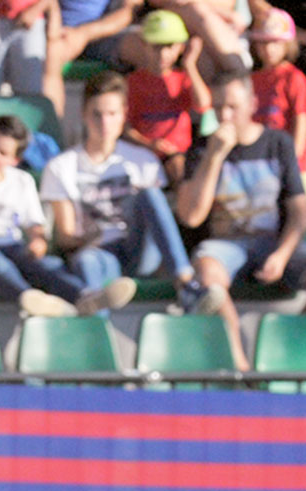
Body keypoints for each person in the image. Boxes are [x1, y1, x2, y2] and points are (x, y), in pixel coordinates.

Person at [175, 69, 306, 370]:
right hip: (224, 246)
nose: (225, 116)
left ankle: (291, 361)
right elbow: (191, 216)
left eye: (233, 107)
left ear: (253, 104)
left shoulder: (278, 143)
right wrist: (213, 157)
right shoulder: (201, 149)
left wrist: (282, 254)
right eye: (218, 108)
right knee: (207, 277)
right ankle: (240, 368)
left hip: (272, 242)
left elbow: (299, 213)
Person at [0, 112, 132, 316]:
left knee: (48, 265)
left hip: (11, 246)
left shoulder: (22, 180)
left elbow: (35, 226)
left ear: (15, 160)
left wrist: (37, 242)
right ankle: (29, 298)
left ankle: (86, 297)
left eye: (3, 153)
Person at [41, 69, 201, 309]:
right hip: (98, 251)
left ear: (124, 114)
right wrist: (89, 237)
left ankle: (185, 281)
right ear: (84, 114)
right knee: (86, 262)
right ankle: (96, 323)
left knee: (149, 194)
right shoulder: (61, 166)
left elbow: (156, 219)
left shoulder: (144, 160)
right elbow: (65, 236)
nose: (104, 123)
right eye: (97, 114)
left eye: (112, 114)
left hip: (138, 249)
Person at [123, 9, 205, 185]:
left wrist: (190, 65)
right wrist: (148, 144)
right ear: (144, 45)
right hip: (141, 153)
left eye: (169, 46)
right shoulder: (133, 82)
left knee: (178, 168)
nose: (162, 53)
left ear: (180, 47)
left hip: (177, 155)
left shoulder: (183, 78)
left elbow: (203, 105)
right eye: (156, 46)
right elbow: (125, 128)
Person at [249, 7, 306, 175]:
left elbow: (301, 123)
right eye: (263, 42)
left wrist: (291, 162)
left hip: (297, 166)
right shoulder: (251, 80)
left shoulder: (294, 78)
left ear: (287, 44)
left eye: (275, 42)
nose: (269, 48)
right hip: (262, 165)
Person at [42, 0, 141, 119]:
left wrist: (83, 34)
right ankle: (51, 123)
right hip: (59, 34)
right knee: (53, 52)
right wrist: (55, 32)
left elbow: (128, 10)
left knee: (145, 46)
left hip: (101, 33)